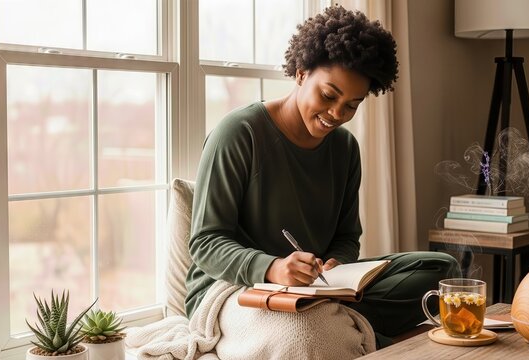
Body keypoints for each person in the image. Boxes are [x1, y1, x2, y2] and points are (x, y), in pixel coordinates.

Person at [185, 5, 459, 348]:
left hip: (314, 288)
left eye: (351, 105)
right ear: (301, 73)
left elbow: (347, 237)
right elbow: (205, 243)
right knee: (305, 332)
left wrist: (338, 263)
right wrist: (272, 268)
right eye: (329, 95)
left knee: (442, 269)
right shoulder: (239, 134)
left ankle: (333, 317)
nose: (336, 114)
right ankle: (353, 328)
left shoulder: (345, 148)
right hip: (235, 287)